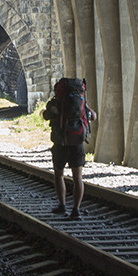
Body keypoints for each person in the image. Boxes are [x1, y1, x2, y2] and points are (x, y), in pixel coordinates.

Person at [42, 77, 96, 219]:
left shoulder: (56, 102)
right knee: (77, 177)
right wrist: (86, 107)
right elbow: (94, 117)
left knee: (59, 174)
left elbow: (45, 116)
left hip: (60, 143)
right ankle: (76, 210)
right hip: (77, 143)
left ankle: (62, 205)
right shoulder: (81, 104)